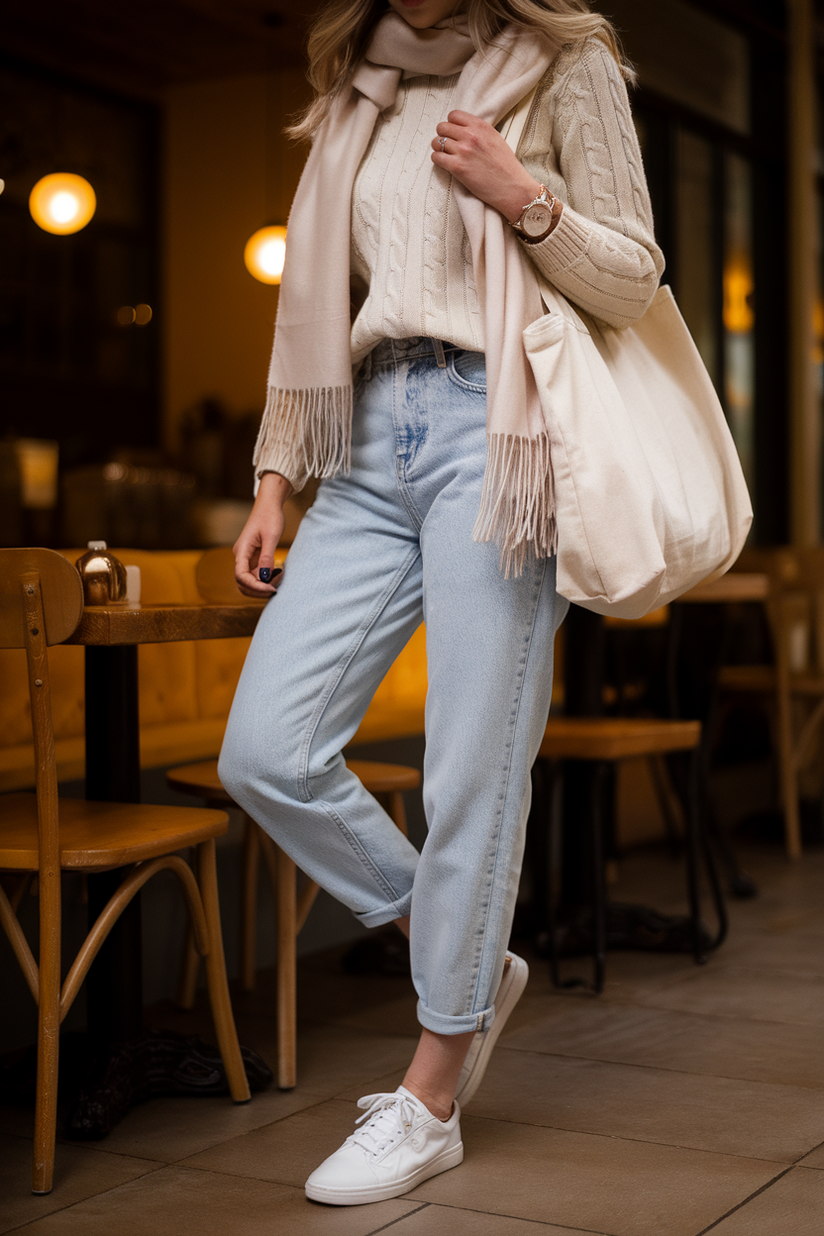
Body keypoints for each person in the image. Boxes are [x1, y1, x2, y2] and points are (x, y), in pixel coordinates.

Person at [219, 0, 663, 1207]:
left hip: (497, 432)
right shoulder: (357, 83)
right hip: (363, 437)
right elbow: (306, 299)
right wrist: (275, 475)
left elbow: (629, 280)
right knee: (263, 749)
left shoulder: (566, 62)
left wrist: (523, 192)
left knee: (468, 770)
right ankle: (463, 956)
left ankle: (429, 1096)